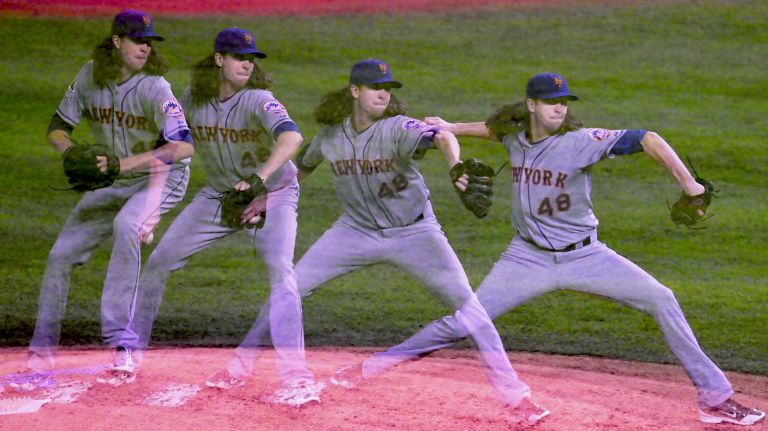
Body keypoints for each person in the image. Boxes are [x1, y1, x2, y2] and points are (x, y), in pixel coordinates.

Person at [356, 72, 766, 426]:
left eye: (563, 103)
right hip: (526, 257)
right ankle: (377, 364)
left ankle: (714, 400)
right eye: (551, 103)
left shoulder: (582, 141)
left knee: (662, 298)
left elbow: (648, 139)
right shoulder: (516, 136)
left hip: (587, 256)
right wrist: (455, 127)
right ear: (532, 105)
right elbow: (494, 130)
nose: (559, 110)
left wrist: (689, 184)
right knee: (467, 320)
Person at [211, 59, 549, 425]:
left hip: (415, 233)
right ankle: (238, 367)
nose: (384, 93)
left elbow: (441, 136)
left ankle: (518, 400)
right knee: (287, 288)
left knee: (471, 310)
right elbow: (303, 168)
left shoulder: (398, 128)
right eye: (375, 87)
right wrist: (264, 198)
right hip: (353, 231)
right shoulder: (331, 136)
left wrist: (455, 166)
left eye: (388, 87)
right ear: (355, 91)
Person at [118, 28, 321, 406]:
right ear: (218, 60)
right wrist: (153, 207)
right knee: (159, 263)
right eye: (239, 56)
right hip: (219, 196)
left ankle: (297, 377)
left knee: (281, 273)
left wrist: (259, 183)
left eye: (252, 58)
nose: (247, 63)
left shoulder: (260, 100)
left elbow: (292, 139)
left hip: (272, 195)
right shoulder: (193, 99)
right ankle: (129, 353)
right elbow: (172, 146)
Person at [20, 10, 195, 389]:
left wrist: (147, 204)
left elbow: (182, 147)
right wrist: (69, 152)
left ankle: (122, 345)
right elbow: (58, 128)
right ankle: (40, 353)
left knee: (126, 226)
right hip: (112, 180)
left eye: (149, 41)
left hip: (160, 178)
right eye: (138, 40)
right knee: (59, 256)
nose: (145, 47)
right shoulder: (90, 75)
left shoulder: (155, 88)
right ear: (117, 41)